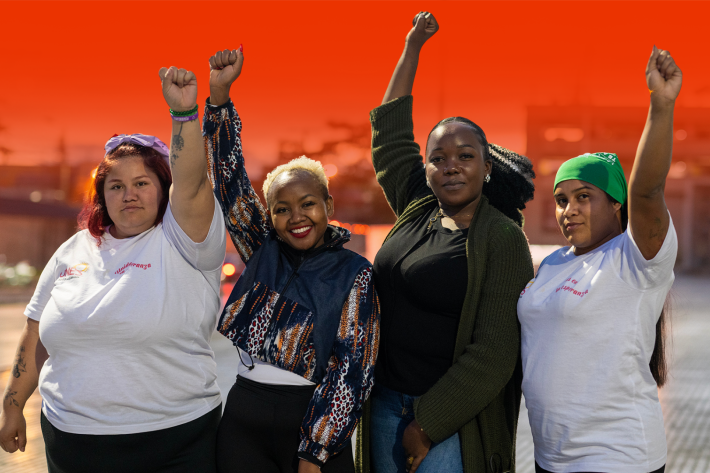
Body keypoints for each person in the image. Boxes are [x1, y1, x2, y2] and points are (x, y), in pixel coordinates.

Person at [0, 65, 226, 473]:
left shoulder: (185, 240)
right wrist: (12, 406)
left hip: (174, 441)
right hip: (72, 444)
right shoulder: (73, 250)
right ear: (102, 196)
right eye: (116, 186)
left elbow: (192, 181)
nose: (129, 194)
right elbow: (36, 333)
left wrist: (184, 115)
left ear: (164, 187)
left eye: (142, 183)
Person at [356, 12, 536, 473]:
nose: (450, 166)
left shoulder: (502, 237)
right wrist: (412, 47)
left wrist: (428, 423)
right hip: (384, 406)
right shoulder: (418, 206)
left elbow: (495, 352)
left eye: (465, 156)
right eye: (438, 158)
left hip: (448, 424)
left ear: (487, 167)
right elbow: (390, 135)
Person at [203, 47, 380, 473]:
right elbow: (229, 181)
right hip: (244, 417)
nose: (296, 216)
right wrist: (220, 100)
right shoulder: (261, 248)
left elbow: (354, 369)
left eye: (308, 204)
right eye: (281, 209)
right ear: (270, 217)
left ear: (328, 204)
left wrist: (314, 451)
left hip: (313, 425)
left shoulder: (355, 274)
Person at [517, 46, 681, 473]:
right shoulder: (552, 264)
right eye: (561, 200)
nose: (568, 209)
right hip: (551, 456)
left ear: (616, 205)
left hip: (615, 456)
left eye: (584, 197)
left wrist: (660, 107)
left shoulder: (634, 258)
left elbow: (648, 191)